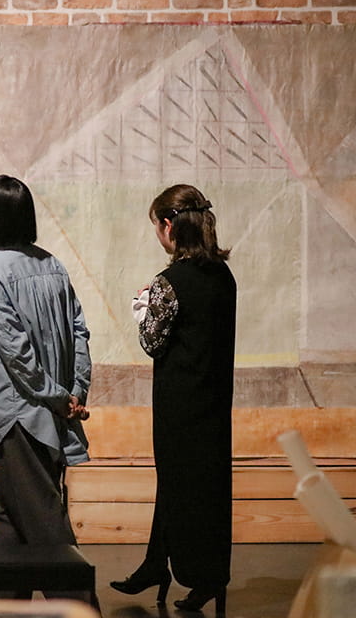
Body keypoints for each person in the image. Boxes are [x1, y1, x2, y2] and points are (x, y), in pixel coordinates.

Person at [110, 183, 237, 615]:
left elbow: (152, 342)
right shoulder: (224, 277)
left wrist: (142, 306)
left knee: (178, 485)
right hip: (214, 403)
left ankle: (180, 570)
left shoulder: (169, 283)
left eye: (156, 226)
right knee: (209, 490)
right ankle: (176, 570)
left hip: (179, 405)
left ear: (169, 226)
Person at [0, 175, 92, 598]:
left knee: (44, 523)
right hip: (50, 411)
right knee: (10, 516)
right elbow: (80, 334)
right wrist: (74, 394)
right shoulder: (53, 266)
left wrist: (60, 398)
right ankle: (3, 605)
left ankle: (80, 606)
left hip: (16, 414)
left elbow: (15, 353)